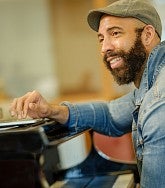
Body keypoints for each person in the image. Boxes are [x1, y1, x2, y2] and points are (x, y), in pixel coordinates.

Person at [9, 0, 165, 187]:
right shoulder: (151, 85)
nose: (104, 48)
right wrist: (52, 111)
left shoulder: (159, 103)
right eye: (101, 38)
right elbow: (111, 114)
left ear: (147, 35)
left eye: (115, 33)